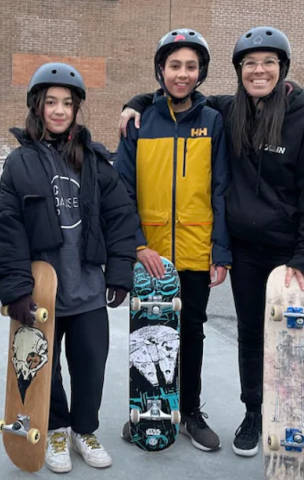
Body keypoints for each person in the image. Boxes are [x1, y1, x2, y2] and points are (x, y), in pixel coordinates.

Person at [119, 26, 304, 480]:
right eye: (250, 64)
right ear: (239, 73)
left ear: (283, 70)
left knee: (300, 340)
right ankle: (256, 415)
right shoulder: (230, 109)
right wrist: (137, 102)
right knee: (251, 335)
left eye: (269, 64)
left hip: (291, 254)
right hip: (245, 250)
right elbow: (175, 93)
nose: (259, 71)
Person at [0, 62, 137, 473]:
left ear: (76, 110)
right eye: (51, 102)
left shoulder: (94, 161)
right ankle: (55, 427)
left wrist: (120, 273)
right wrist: (16, 289)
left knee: (91, 362)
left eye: (67, 103)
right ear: (37, 107)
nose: (58, 110)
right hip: (42, 290)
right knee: (45, 369)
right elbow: (8, 230)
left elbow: (121, 219)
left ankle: (83, 430)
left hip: (88, 284)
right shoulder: (19, 164)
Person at [113, 28, 232, 453]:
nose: (182, 74)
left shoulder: (213, 121)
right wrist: (137, 245)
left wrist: (221, 251)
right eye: (174, 65)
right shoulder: (140, 122)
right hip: (151, 253)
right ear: (160, 70)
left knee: (192, 332)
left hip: (197, 252)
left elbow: (220, 188)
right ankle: (150, 411)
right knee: (149, 333)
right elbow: (122, 190)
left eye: (191, 67)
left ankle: (190, 412)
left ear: (200, 74)